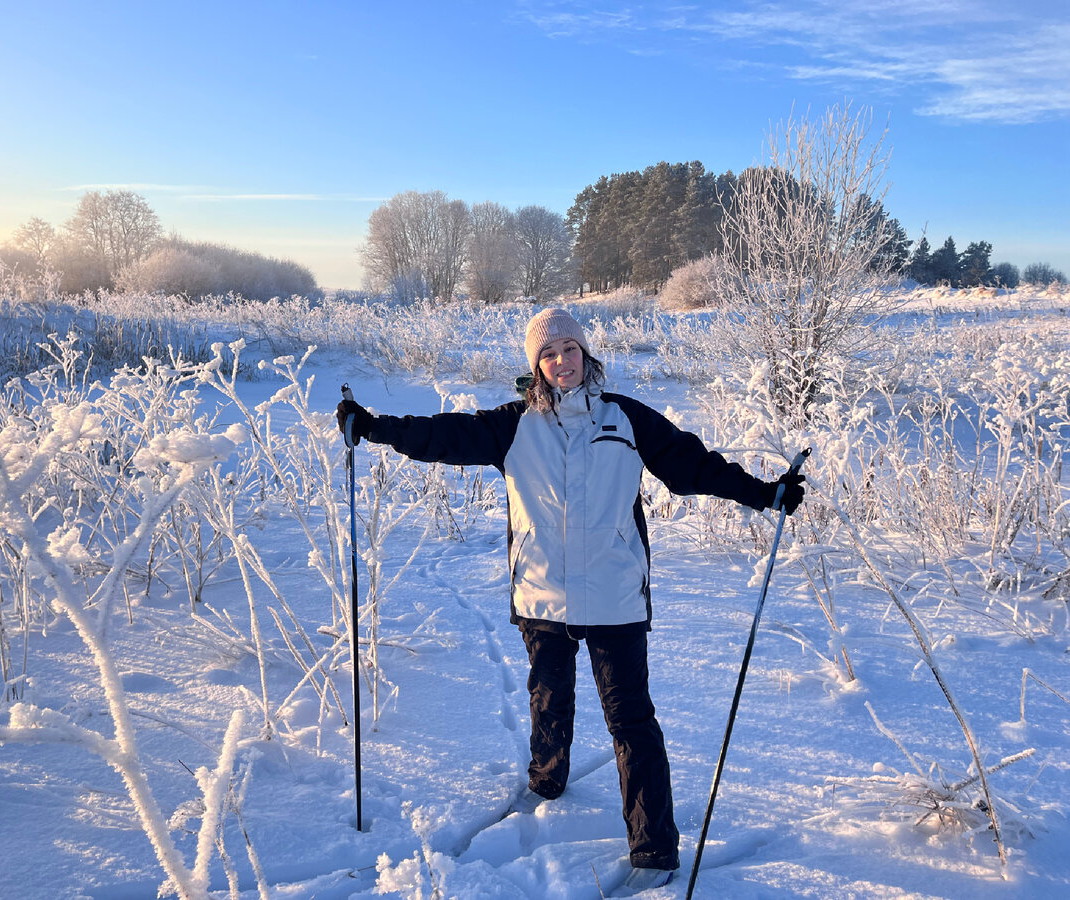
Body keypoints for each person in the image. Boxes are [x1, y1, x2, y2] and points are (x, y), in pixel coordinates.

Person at [336, 307, 803, 876]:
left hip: (614, 596)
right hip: (542, 594)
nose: (561, 361)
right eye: (548, 353)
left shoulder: (625, 419)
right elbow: (442, 434)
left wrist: (765, 493)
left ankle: (654, 850)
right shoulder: (513, 425)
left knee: (631, 720)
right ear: (536, 365)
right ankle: (546, 780)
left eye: (570, 349)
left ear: (587, 354)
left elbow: (691, 466)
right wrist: (376, 426)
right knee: (547, 697)